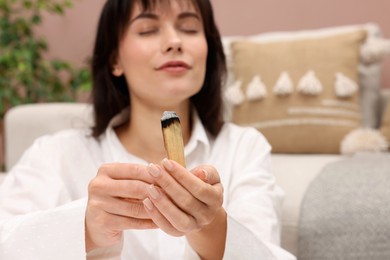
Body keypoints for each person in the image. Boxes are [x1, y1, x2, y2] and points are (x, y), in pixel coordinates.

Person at [0, 0, 296, 259]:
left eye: (190, 29)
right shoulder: (57, 154)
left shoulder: (244, 148)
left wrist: (211, 226)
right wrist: (86, 228)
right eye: (147, 30)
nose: (174, 41)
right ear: (115, 59)